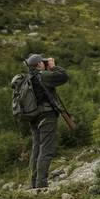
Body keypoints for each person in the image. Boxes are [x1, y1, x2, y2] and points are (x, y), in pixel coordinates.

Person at [23, 53, 69, 189]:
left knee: (36, 149)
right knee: (46, 150)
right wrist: (53, 67)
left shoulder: (28, 79)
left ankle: (33, 184)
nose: (44, 63)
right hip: (46, 116)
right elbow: (63, 76)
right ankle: (41, 184)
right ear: (38, 65)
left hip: (34, 118)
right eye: (42, 62)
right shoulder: (42, 75)